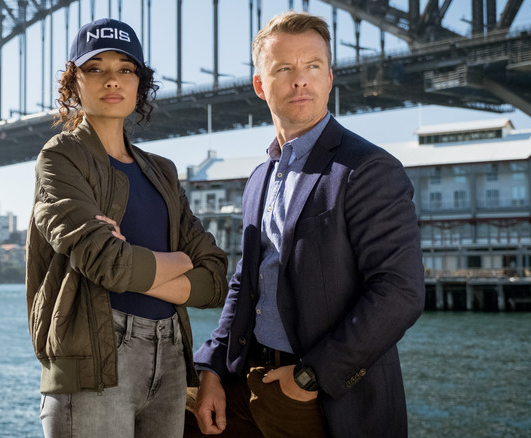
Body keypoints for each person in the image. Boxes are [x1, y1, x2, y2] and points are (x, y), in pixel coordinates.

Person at [186, 10, 425, 438]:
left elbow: (399, 292)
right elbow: (246, 282)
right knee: (168, 412)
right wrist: (213, 368)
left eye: (313, 66)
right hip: (249, 379)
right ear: (261, 85)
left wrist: (311, 377)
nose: (301, 80)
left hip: (320, 396)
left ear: (329, 78)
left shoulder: (367, 168)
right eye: (285, 69)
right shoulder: (262, 177)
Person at [25, 18, 228, 438]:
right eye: (95, 68)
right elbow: (108, 266)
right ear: (73, 83)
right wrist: (179, 260)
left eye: (125, 69)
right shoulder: (61, 158)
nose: (111, 80)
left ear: (140, 84)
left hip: (171, 359)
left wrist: (136, 265)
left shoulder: (163, 172)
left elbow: (214, 281)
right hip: (95, 362)